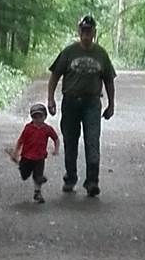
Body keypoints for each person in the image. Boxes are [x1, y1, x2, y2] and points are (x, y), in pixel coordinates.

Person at [46, 14, 115, 197]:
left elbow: (109, 80)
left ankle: (92, 181)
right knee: (70, 141)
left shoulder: (101, 54)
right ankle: (71, 177)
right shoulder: (69, 52)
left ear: (94, 32)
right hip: (71, 102)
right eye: (83, 31)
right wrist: (51, 99)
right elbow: (55, 75)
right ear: (79, 32)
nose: (86, 35)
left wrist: (111, 104)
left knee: (92, 141)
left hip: (92, 103)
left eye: (89, 31)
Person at [9, 101, 60, 203]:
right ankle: (29, 171)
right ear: (32, 117)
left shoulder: (47, 129)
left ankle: (37, 192)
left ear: (45, 117)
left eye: (40, 116)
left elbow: (56, 138)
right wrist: (16, 151)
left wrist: (56, 149)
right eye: (35, 117)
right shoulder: (28, 129)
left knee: (38, 175)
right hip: (26, 157)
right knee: (24, 175)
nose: (37, 119)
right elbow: (21, 140)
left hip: (40, 157)